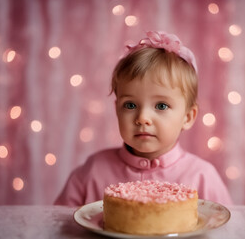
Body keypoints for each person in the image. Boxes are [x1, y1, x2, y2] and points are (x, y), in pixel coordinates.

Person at [55, 31, 233, 206]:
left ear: (188, 117)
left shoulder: (202, 177)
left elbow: (228, 230)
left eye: (161, 106)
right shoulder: (93, 170)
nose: (142, 118)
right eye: (130, 105)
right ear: (117, 110)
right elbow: (57, 223)